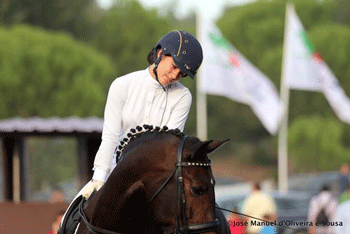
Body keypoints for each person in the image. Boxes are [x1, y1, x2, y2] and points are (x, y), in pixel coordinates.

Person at [60, 30, 203, 230]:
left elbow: (167, 146)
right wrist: (99, 178)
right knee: (68, 220)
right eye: (173, 67)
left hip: (155, 180)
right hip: (115, 170)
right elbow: (109, 135)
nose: (174, 76)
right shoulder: (122, 86)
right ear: (160, 53)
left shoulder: (183, 96)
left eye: (181, 74)